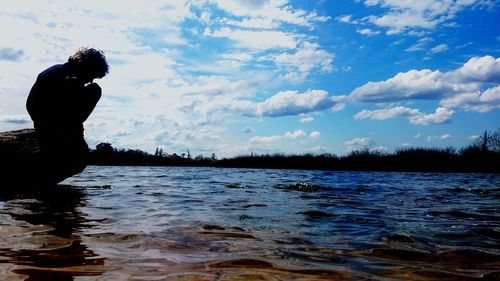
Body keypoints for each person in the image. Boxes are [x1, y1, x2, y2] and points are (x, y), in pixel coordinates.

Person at [26, 47, 109, 184]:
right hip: (53, 121)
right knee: (95, 90)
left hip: (49, 119)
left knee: (79, 157)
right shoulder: (69, 79)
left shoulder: (57, 72)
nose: (90, 80)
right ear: (86, 68)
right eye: (91, 76)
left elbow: (32, 106)